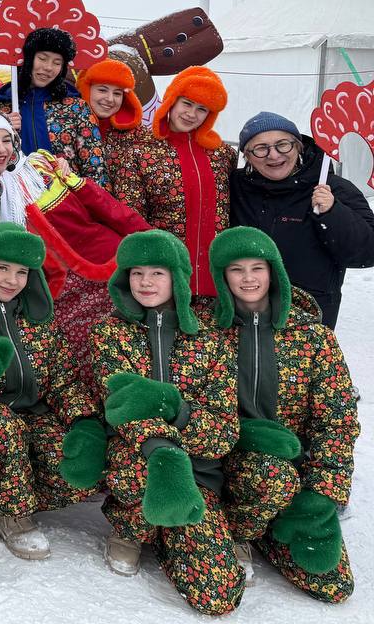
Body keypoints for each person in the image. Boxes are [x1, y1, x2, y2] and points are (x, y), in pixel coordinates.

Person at [89, 230, 244, 616]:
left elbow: (224, 429)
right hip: (134, 461)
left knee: (217, 595)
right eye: (136, 273)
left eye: (157, 273)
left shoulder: (210, 340)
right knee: (136, 465)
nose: (145, 282)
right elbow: (121, 405)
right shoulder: (109, 333)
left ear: (177, 277)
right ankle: (132, 527)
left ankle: (173, 535)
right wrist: (161, 451)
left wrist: (178, 412)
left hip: (195, 474)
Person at [208, 227, 357, 601]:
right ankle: (236, 530)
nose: (248, 278)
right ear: (222, 276)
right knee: (272, 477)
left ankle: (270, 527)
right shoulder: (205, 332)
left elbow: (337, 419)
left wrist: (322, 492)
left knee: (333, 584)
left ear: (273, 271)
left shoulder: (313, 337)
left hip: (295, 469)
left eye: (257, 268)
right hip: (230, 462)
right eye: (236, 269)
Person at [0, 109, 148, 359]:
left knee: (134, 350)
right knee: (82, 363)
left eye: (6, 139)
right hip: (48, 300)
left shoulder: (42, 166)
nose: (1, 149)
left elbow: (103, 205)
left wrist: (149, 240)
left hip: (107, 273)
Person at [0, 223, 102, 560]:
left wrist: (84, 421)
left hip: (32, 415)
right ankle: (10, 512)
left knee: (76, 470)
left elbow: (63, 378)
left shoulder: (37, 314)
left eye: (21, 272)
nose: (11, 280)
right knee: (6, 426)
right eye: (3, 268)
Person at [230, 112, 374, 329]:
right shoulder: (236, 188)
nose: (273, 155)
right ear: (247, 156)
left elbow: (367, 252)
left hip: (309, 318)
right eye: (260, 148)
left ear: (298, 147)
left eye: (283, 145)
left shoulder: (334, 188)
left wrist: (332, 212)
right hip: (243, 314)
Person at [113, 66, 237, 301]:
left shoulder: (222, 154)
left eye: (202, 109)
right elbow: (131, 215)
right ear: (172, 101)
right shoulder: (139, 150)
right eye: (187, 104)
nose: (191, 114)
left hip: (215, 278)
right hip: (163, 275)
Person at [0, 27, 107, 184]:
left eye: (57, 62)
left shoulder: (76, 108)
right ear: (29, 59)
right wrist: (1, 129)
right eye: (42, 58)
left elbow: (95, 167)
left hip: (66, 195)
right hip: (16, 195)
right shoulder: (0, 108)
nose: (48, 67)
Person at [75, 56, 146, 196]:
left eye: (117, 93)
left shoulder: (137, 136)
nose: (110, 99)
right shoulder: (64, 127)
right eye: (102, 90)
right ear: (86, 89)